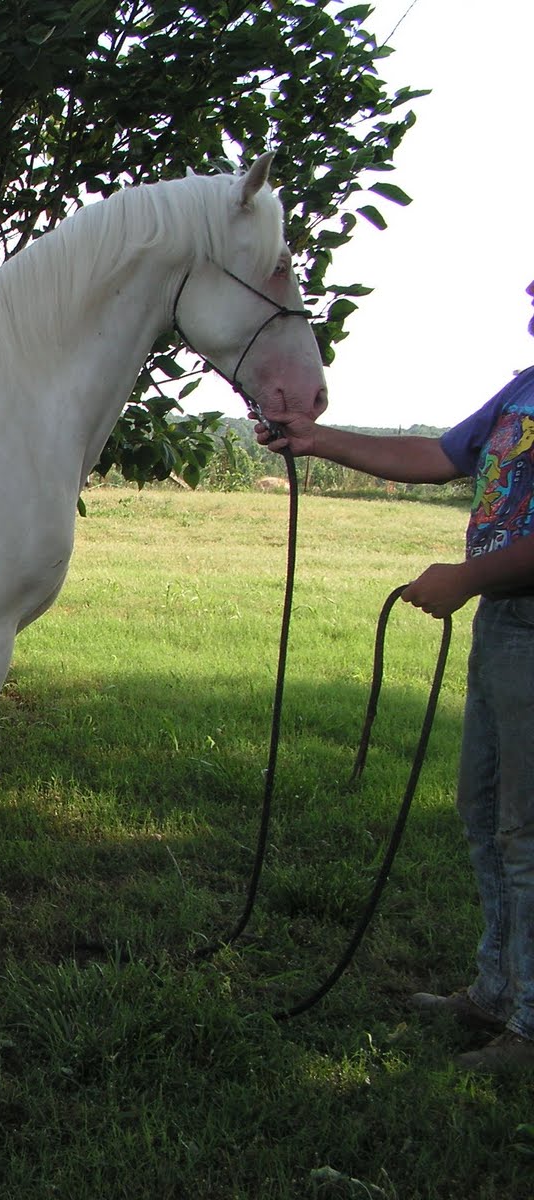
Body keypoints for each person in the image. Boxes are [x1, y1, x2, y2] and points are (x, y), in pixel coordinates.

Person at [255, 277, 534, 1074]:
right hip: (507, 626)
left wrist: (468, 577)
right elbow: (439, 456)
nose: (530, 290)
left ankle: (531, 1027)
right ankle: (494, 991)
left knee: (527, 829)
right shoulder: (523, 388)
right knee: (484, 812)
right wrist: (316, 439)